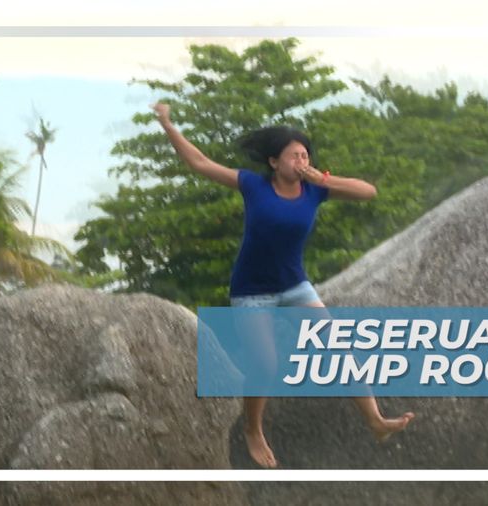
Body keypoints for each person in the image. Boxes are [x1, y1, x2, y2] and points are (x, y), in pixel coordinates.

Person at [152, 102, 415, 468]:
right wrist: (167, 124)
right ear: (275, 162)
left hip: (295, 287)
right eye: (294, 156)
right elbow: (199, 163)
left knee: (339, 348)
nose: (301, 162)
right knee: (265, 364)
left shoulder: (315, 191)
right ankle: (253, 430)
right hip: (252, 291)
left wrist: (321, 179)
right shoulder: (254, 185)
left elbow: (367, 191)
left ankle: (375, 421)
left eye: (305, 155)